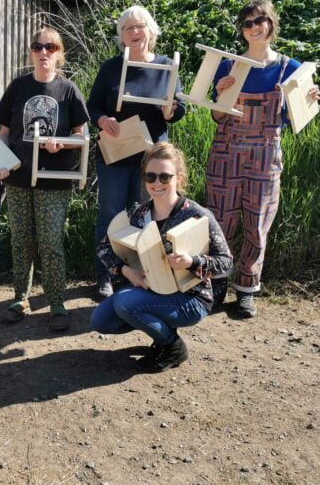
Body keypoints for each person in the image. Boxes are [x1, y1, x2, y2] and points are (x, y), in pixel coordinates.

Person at [206, 0, 320, 318]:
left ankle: (246, 289)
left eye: (260, 21)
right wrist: (222, 91)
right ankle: (216, 283)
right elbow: (217, 117)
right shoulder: (228, 65)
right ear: (241, 30)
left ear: (271, 24)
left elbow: (301, 118)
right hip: (225, 156)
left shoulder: (291, 69)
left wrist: (309, 100)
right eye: (247, 23)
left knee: (257, 226)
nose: (254, 27)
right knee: (220, 222)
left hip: (265, 159)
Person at [91, 142, 233, 372]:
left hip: (191, 298)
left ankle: (172, 346)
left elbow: (226, 263)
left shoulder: (196, 215)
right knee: (100, 321)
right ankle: (161, 333)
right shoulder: (140, 213)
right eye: (151, 176)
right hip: (152, 289)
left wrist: (193, 261)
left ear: (179, 179)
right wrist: (126, 271)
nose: (157, 183)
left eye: (165, 177)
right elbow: (104, 248)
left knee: (124, 302)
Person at [0, 27, 90, 331]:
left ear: (59, 53)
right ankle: (20, 298)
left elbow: (82, 134)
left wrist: (61, 142)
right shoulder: (18, 87)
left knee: (50, 242)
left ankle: (56, 302)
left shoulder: (68, 90)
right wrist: (1, 162)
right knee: (21, 240)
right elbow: (5, 131)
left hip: (54, 180)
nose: (43, 52)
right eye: (38, 47)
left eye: (50, 47)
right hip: (18, 177)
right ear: (30, 52)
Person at [87, 5, 185, 299]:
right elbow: (93, 106)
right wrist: (103, 120)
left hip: (151, 160)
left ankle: (149, 274)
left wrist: (172, 111)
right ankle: (106, 274)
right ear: (121, 36)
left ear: (151, 32)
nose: (134, 32)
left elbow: (179, 108)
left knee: (149, 218)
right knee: (110, 216)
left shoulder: (167, 66)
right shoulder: (110, 68)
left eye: (140, 26)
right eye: (127, 28)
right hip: (115, 156)